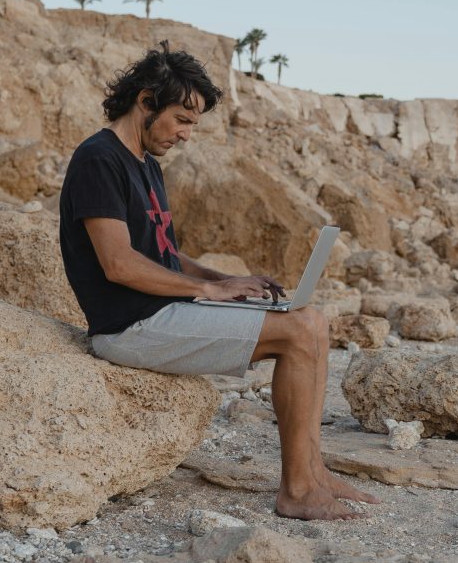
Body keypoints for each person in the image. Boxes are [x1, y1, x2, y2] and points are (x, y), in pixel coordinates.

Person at [59, 41, 379, 521]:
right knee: (296, 334)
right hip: (129, 327)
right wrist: (208, 292)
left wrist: (227, 279)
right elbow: (119, 264)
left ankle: (314, 470)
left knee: (310, 321)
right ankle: (296, 491)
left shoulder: (145, 163)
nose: (187, 135)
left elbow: (163, 255)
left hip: (160, 312)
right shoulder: (98, 159)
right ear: (145, 102)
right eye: (182, 121)